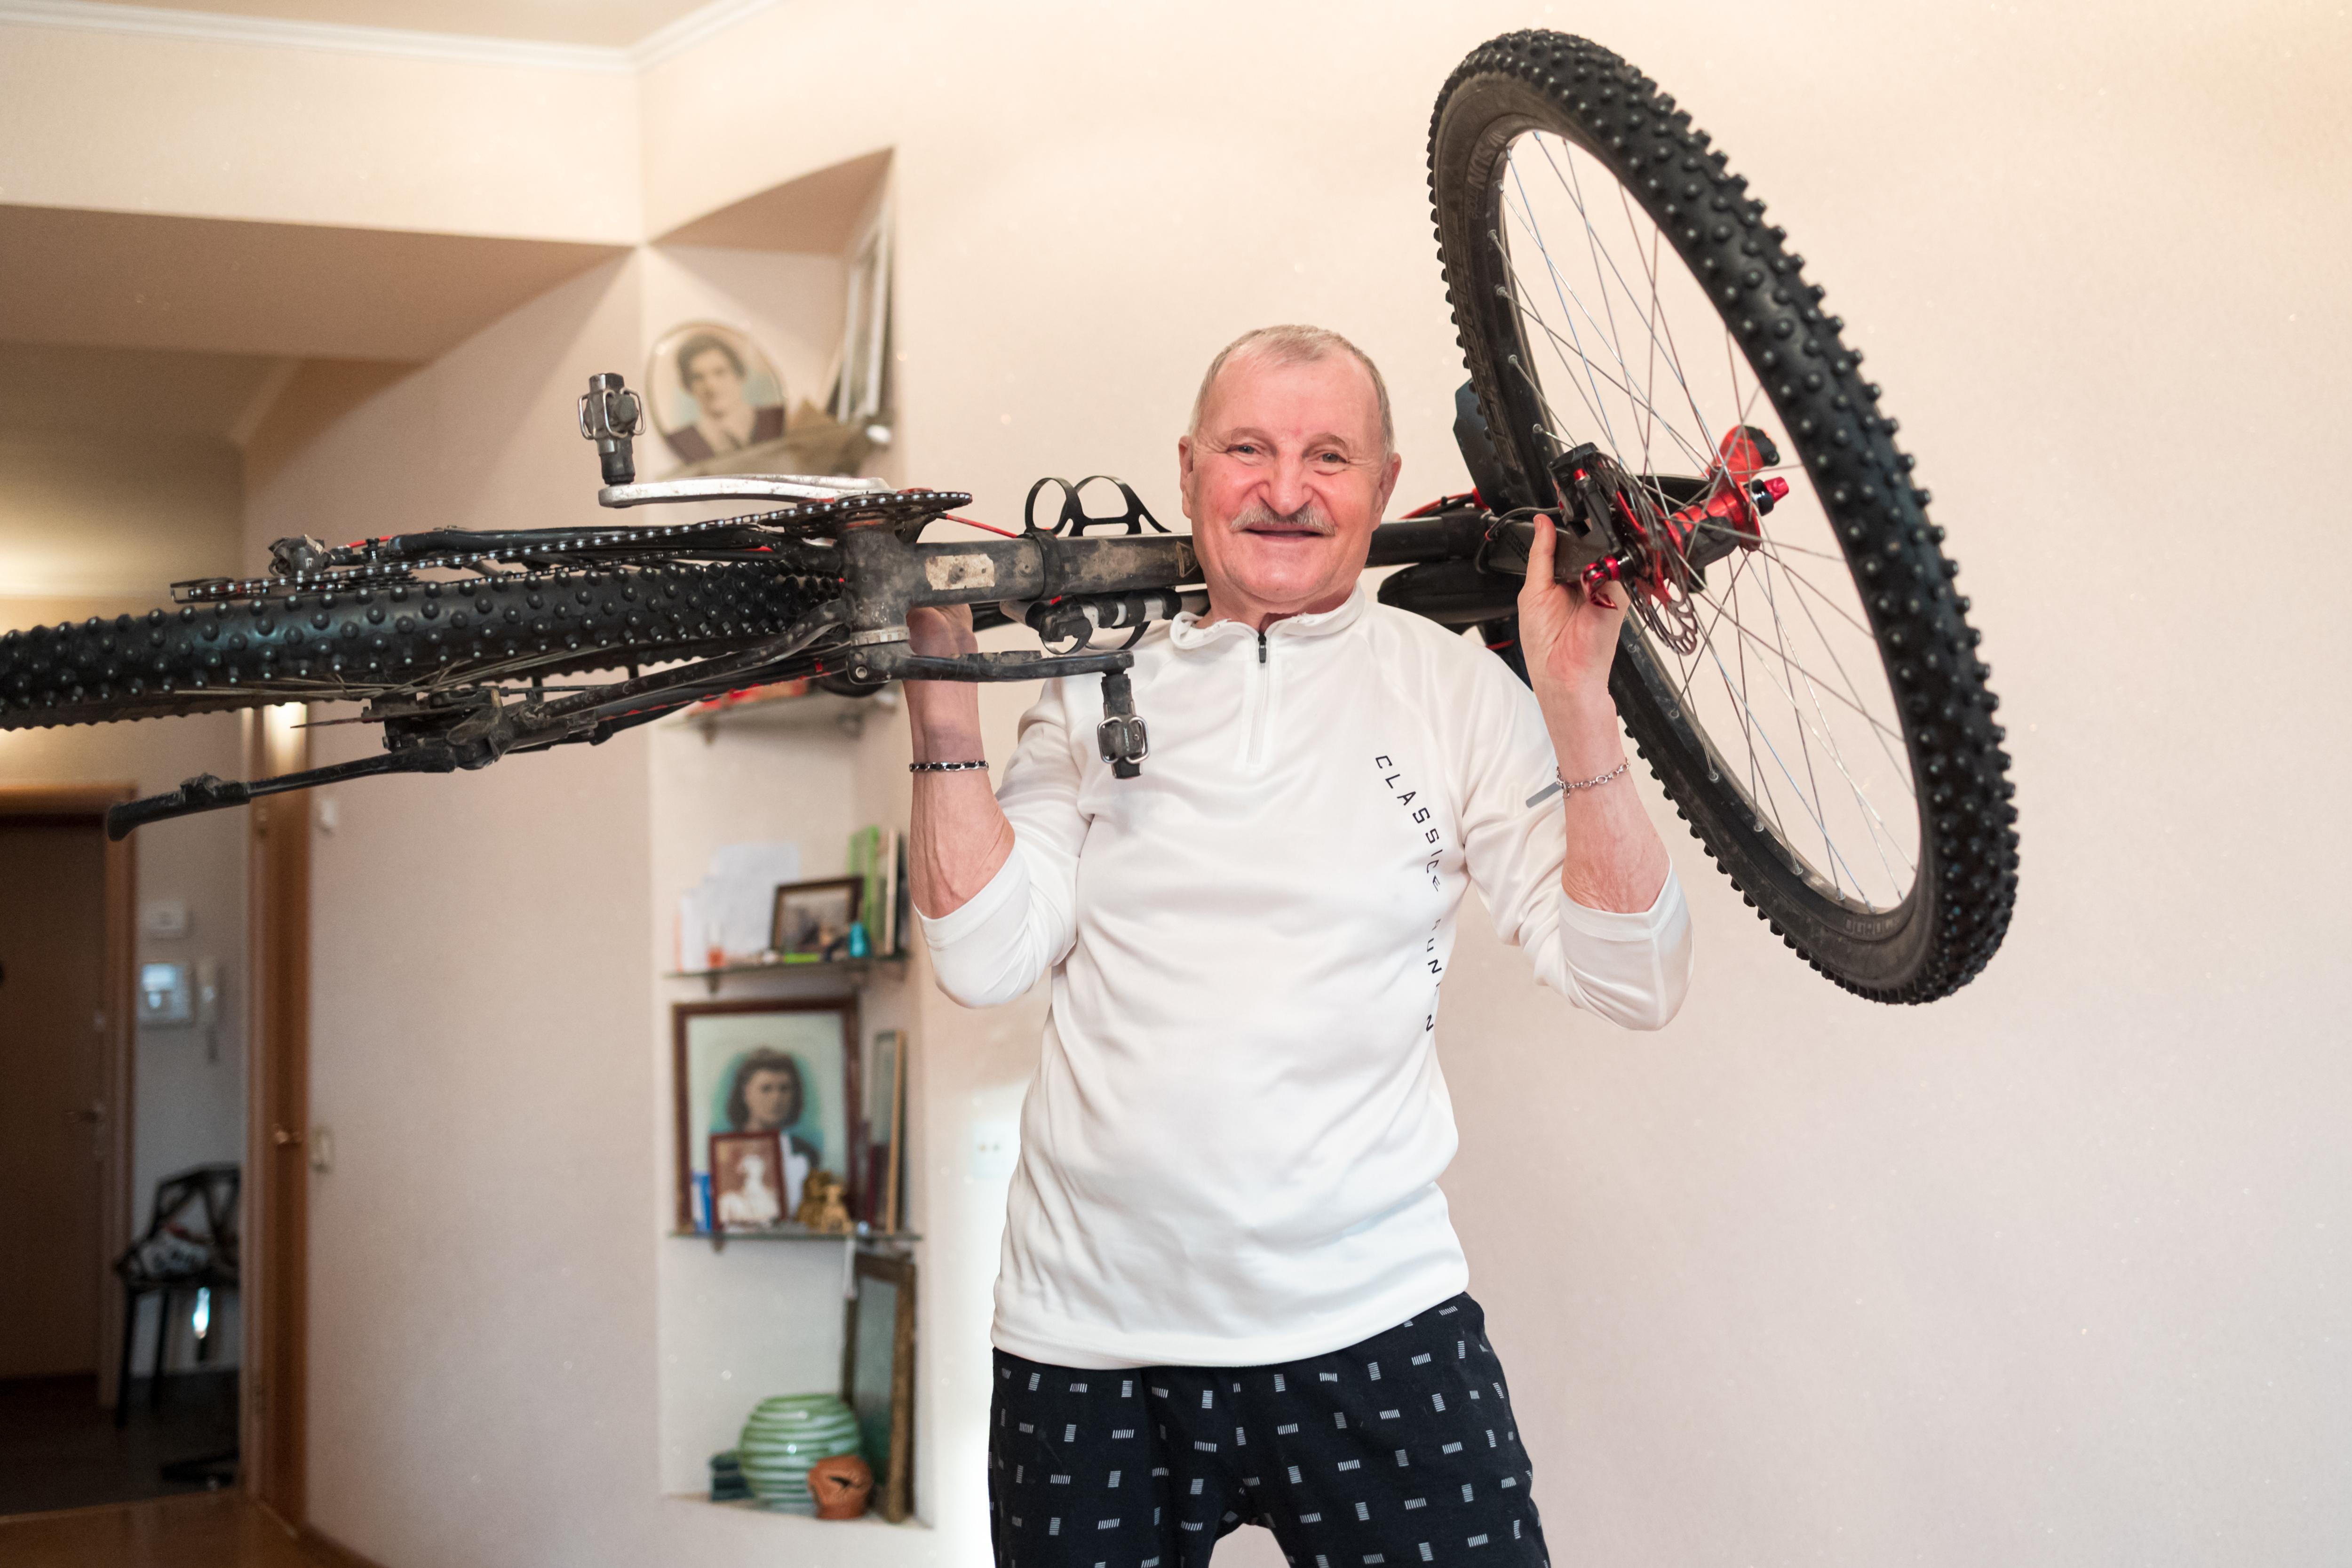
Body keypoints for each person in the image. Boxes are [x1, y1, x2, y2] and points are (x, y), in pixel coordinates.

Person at [906, 325, 1693, 1567]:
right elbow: (983, 957)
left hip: (1373, 1319)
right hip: (1088, 1340)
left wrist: (1577, 703)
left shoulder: (1454, 693)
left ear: (1384, 485)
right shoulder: (1094, 681)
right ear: (1188, 471)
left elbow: (1632, 976)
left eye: (1329, 455)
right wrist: (941, 701)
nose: (1285, 489)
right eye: (1248, 449)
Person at [663, 333, 785, 463]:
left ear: (739, 374)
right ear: (688, 386)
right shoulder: (681, 440)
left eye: (720, 372)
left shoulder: (776, 418)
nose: (711, 386)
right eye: (698, 378)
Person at [725, 1048, 819, 1213]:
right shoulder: (724, 1149)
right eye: (766, 1089)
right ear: (746, 1093)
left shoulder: (805, 1152)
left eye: (784, 1089)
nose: (777, 1099)